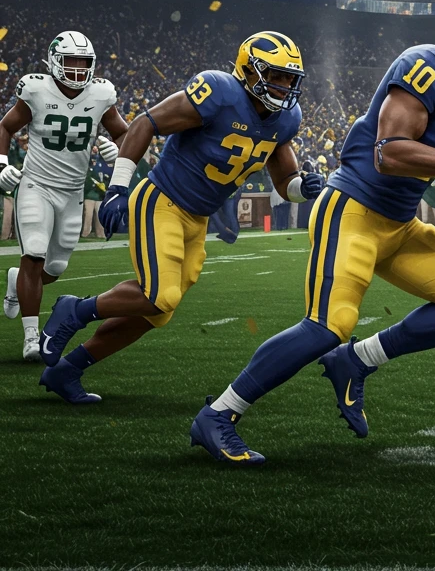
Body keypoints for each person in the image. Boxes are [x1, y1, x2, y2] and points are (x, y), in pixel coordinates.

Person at [189, 0, 435, 464]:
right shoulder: (427, 64)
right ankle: (219, 415)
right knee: (328, 325)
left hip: (398, 222)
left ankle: (357, 359)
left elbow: (429, 157)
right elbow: (389, 152)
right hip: (352, 209)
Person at [37, 32, 319, 403]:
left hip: (197, 219)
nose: (283, 86)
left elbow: (285, 181)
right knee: (159, 294)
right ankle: (74, 309)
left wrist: (304, 187)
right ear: (247, 70)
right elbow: (144, 124)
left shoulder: (286, 119)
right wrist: (118, 187)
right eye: (275, 75)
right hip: (163, 201)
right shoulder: (219, 91)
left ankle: (67, 370)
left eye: (288, 78)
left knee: (157, 312)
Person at [1, 31, 128, 361]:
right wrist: (1, 163)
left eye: (83, 63)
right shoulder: (36, 89)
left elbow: (126, 133)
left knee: (54, 267)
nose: (76, 69)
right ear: (54, 61)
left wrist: (119, 149)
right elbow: (5, 127)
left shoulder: (100, 94)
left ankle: (18, 283)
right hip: (36, 185)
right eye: (70, 61)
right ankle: (31, 336)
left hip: (72, 190)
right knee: (35, 252)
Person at [81, 142, 109, 239]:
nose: (95, 150)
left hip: (99, 194)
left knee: (99, 216)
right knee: (88, 215)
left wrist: (104, 183)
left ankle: (100, 233)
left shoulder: (101, 163)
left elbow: (105, 174)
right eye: (94, 148)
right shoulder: (87, 162)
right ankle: (86, 233)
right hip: (89, 194)